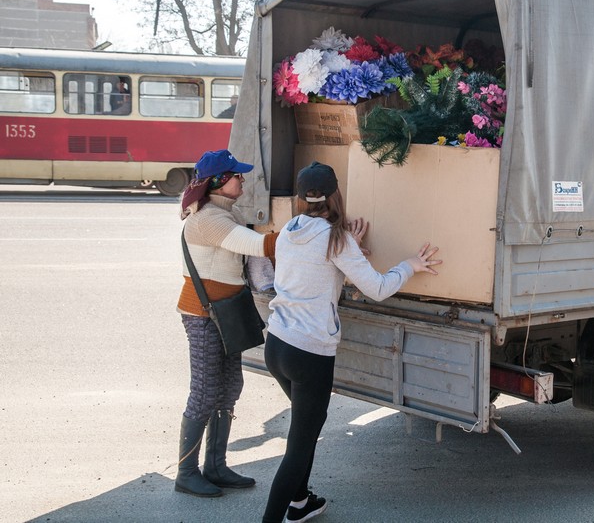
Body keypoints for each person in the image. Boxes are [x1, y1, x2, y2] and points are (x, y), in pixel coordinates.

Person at [261, 161, 441, 523]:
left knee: (309, 423)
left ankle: (299, 503)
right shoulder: (336, 239)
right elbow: (376, 288)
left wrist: (351, 249)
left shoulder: (288, 231)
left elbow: (312, 273)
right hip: (309, 352)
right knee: (299, 444)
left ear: (301, 198)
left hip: (277, 344)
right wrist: (408, 265)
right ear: (334, 196)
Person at [175, 149, 278, 498]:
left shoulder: (223, 213)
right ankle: (186, 473)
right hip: (204, 315)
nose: (243, 180)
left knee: (229, 386)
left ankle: (216, 466)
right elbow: (257, 246)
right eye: (237, 175)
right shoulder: (208, 219)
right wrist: (305, 230)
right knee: (204, 392)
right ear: (219, 182)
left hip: (226, 313)